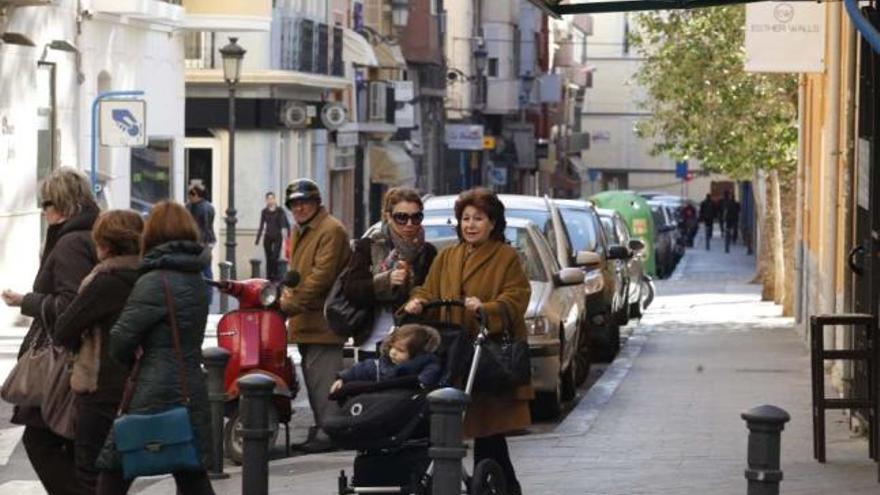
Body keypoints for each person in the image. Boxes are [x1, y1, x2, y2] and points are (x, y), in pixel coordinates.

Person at [403, 187, 532, 495]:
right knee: (454, 424)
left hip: (485, 354)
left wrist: (486, 308)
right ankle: (496, 485)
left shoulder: (506, 257)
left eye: (478, 218)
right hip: (453, 352)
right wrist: (417, 302)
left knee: (488, 429)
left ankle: (499, 485)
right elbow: (428, 289)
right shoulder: (448, 255)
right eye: (465, 218)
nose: (471, 225)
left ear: (492, 223)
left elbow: (517, 297)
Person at [94, 201, 215, 495]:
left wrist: (129, 357)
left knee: (114, 471)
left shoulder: (154, 280)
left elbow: (121, 339)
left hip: (153, 387)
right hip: (190, 385)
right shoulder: (197, 277)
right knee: (190, 470)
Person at [1, 167, 99, 495]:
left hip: (63, 364)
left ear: (63, 203)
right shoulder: (90, 233)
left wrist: (27, 301)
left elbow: (72, 305)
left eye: (46, 203)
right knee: (70, 447)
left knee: (41, 441)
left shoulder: (71, 241)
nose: (42, 211)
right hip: (82, 361)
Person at [53, 210, 143, 493]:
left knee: (91, 472)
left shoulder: (105, 281)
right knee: (116, 474)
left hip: (100, 387)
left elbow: (63, 328)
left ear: (106, 244)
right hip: (137, 387)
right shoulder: (147, 278)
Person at [279, 178, 351, 453]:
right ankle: (324, 429)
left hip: (324, 319)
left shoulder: (330, 230)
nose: (299, 208)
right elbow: (298, 272)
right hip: (308, 319)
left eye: (304, 202)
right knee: (313, 380)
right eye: (294, 204)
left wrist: (290, 304)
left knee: (323, 381)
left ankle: (330, 432)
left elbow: (321, 277)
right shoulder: (302, 229)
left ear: (316, 202)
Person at [341, 187, 437, 359]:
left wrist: (418, 298)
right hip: (372, 341)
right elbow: (351, 290)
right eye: (401, 217)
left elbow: (434, 292)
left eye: (416, 217)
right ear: (388, 216)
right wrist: (386, 281)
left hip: (412, 344)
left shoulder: (428, 252)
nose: (409, 224)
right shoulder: (368, 246)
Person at [330, 324, 442, 394]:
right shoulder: (382, 365)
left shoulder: (427, 365)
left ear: (416, 354)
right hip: (382, 404)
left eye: (400, 350)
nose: (393, 352)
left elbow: (427, 378)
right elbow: (361, 369)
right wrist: (343, 379)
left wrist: (422, 383)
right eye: (392, 347)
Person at [185, 184, 216, 292]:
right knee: (204, 269)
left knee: (205, 269)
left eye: (191, 194)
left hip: (201, 242)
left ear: (196, 195)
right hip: (200, 242)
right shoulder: (190, 206)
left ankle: (207, 294)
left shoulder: (204, 207)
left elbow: (206, 227)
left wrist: (205, 243)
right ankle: (206, 294)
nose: (189, 197)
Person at [255, 191, 291, 281]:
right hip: (268, 237)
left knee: (275, 257)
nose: (270, 200)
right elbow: (261, 225)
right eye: (268, 199)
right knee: (268, 258)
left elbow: (285, 223)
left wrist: (288, 235)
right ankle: (269, 278)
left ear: (274, 199)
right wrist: (257, 239)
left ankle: (275, 276)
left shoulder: (280, 210)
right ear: (266, 200)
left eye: (272, 198)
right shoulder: (264, 211)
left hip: (278, 236)